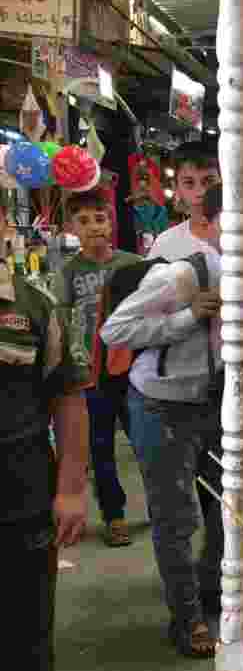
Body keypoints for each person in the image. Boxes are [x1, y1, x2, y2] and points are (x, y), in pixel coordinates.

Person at [101, 182, 243, 659]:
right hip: (159, 405)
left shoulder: (242, 279)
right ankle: (186, 620)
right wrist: (185, 318)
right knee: (175, 516)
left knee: (227, 507)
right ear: (211, 223)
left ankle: (208, 595)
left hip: (213, 400)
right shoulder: (184, 274)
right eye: (233, 220)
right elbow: (113, 330)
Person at [1, 209, 88, 671]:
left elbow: (68, 395)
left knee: (26, 624)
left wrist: (72, 488)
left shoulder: (32, 303)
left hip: (21, 492)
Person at [57, 190, 142, 548]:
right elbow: (61, 321)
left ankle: (163, 503)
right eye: (85, 221)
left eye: (101, 218)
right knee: (101, 445)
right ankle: (114, 515)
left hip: (135, 369)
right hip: (92, 374)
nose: (94, 227)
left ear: (111, 222)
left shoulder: (133, 264)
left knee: (147, 442)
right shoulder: (69, 272)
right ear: (71, 227)